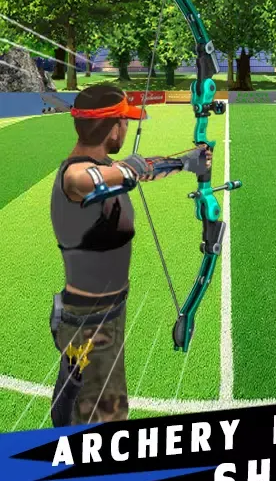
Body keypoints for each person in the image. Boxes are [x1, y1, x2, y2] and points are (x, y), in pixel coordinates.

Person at [49, 83, 210, 426]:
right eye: (124, 122)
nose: (126, 128)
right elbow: (90, 180)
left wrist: (185, 162)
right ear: (113, 127)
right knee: (105, 418)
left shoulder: (107, 167)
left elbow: (138, 170)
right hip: (91, 324)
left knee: (74, 399)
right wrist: (128, 170)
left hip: (98, 315)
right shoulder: (75, 175)